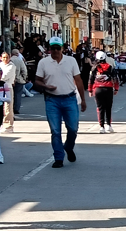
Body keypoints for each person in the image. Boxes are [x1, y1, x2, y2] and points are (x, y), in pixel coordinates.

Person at [32, 36, 86, 169]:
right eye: (53, 48)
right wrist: (45, 86)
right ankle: (58, 158)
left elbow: (78, 80)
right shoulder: (43, 63)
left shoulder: (71, 61)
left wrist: (83, 100)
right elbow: (37, 80)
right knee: (55, 131)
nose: (55, 51)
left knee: (73, 128)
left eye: (58, 48)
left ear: (62, 48)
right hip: (52, 100)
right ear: (49, 49)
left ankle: (68, 147)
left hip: (69, 99)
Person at [89, 54, 118, 134]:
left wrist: (90, 90)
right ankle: (109, 125)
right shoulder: (110, 67)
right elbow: (115, 78)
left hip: (98, 89)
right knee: (108, 108)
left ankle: (101, 127)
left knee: (100, 108)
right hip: (108, 89)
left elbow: (91, 79)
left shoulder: (94, 68)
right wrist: (116, 88)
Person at [0, 51, 18, 131]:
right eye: (4, 57)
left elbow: (4, 76)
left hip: (7, 88)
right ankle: (1, 124)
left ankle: (8, 126)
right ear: (1, 58)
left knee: (8, 107)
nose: (5, 59)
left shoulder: (12, 66)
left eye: (7, 57)